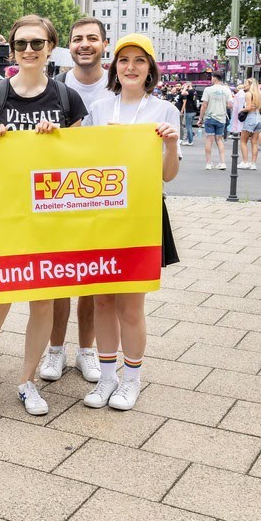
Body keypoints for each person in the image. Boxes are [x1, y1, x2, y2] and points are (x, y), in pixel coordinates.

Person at [0, 15, 88, 417]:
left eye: (36, 43)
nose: (28, 50)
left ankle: (27, 382)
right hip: (3, 216)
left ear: (50, 47)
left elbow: (80, 164)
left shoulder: (67, 101)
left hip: (49, 219)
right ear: (11, 50)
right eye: (20, 44)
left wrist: (58, 142)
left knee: (43, 304)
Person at [80, 34, 180, 411]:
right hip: (102, 214)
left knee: (131, 305)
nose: (131, 67)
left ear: (150, 68)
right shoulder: (99, 107)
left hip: (142, 213)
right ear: (114, 67)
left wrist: (170, 145)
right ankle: (107, 378)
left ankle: (131, 380)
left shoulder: (165, 110)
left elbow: (168, 175)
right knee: (103, 300)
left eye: (140, 60)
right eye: (124, 60)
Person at [40, 17, 111, 385]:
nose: (85, 44)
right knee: (57, 277)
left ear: (104, 44)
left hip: (101, 195)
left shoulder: (118, 86)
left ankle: (87, 350)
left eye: (92, 39)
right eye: (78, 39)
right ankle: (55, 350)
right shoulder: (54, 87)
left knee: (92, 281)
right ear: (69, 45)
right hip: (58, 193)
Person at [199, 73, 231, 170]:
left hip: (210, 117)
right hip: (221, 117)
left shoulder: (208, 90)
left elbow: (204, 105)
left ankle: (208, 163)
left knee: (209, 139)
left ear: (214, 78)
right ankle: (222, 162)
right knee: (219, 140)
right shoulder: (226, 90)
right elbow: (230, 105)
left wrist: (200, 117)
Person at [238, 79, 261, 170]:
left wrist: (242, 109)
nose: (244, 85)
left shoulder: (248, 94)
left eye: (246, 84)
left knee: (243, 141)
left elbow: (248, 108)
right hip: (258, 118)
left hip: (250, 118)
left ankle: (245, 162)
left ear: (250, 85)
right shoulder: (259, 94)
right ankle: (253, 163)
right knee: (254, 142)